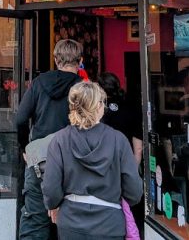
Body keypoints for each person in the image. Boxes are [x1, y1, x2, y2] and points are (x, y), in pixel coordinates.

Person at [41, 81, 143, 240]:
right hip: (110, 225)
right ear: (98, 106)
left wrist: (53, 205)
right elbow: (134, 193)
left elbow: (51, 190)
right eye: (103, 102)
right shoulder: (118, 140)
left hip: (71, 224)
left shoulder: (60, 140)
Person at [15, 39, 83, 240]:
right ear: (80, 61)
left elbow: (20, 119)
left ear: (55, 59)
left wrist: (25, 150)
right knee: (73, 218)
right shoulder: (83, 88)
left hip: (39, 158)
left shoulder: (38, 83)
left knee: (35, 220)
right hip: (73, 159)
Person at [97, 72, 142, 164]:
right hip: (124, 159)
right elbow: (138, 148)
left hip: (102, 162)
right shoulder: (130, 107)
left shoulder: (96, 109)